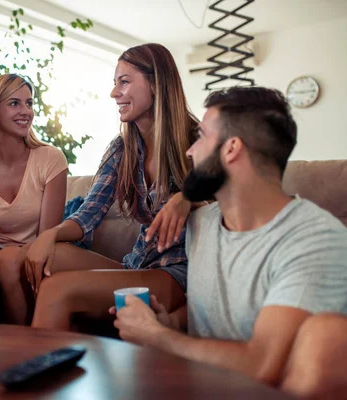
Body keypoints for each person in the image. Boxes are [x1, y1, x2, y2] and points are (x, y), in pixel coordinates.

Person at [110, 86, 347, 398]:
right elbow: (211, 316)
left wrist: (157, 337)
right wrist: (166, 322)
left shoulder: (315, 239)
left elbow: (264, 365)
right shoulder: (200, 225)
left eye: (202, 136)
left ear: (231, 148)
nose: (190, 151)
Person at [27, 43, 202, 331]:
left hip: (176, 273)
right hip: (136, 266)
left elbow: (231, 197)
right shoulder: (122, 149)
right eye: (114, 83)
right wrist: (51, 235)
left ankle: (35, 370)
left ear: (156, 84)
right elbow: (88, 215)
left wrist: (186, 198)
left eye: (124, 82)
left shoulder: (199, 140)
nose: (113, 93)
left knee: (55, 290)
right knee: (26, 258)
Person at [0, 74, 68, 324]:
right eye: (14, 103)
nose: (26, 111)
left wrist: (1, 260)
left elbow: (46, 237)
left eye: (29, 103)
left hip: (41, 256)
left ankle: (27, 347)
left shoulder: (50, 159)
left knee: (7, 260)